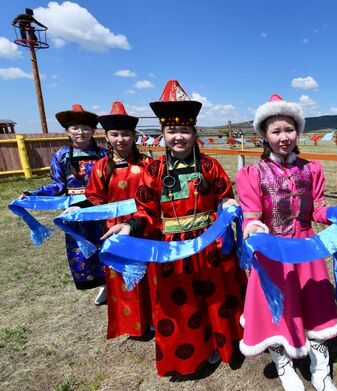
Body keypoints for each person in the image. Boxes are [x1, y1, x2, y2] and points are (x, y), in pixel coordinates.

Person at [101, 80, 247, 376]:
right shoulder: (153, 172)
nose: (178, 137)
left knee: (213, 299)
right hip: (170, 251)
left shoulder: (210, 167)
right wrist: (129, 226)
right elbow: (147, 210)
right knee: (180, 307)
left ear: (194, 133)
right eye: (171, 131)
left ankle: (219, 346)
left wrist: (228, 207)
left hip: (208, 246)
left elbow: (224, 197)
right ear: (163, 134)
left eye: (184, 131)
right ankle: (189, 355)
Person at [236, 94, 337, 391]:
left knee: (316, 305)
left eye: (289, 130)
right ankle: (283, 365)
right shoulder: (251, 173)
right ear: (264, 136)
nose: (284, 137)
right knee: (277, 308)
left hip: (307, 250)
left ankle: (321, 369)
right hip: (272, 250)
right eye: (276, 131)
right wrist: (253, 226)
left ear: (298, 132)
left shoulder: (313, 169)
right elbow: (252, 215)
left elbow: (317, 210)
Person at [67, 101, 155, 339]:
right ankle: (133, 324)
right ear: (106, 136)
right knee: (122, 278)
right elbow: (94, 198)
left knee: (150, 277)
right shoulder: (100, 167)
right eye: (114, 134)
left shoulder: (147, 164)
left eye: (126, 134)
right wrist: (77, 208)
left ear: (134, 135)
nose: (121, 139)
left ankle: (153, 319)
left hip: (145, 229)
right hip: (114, 232)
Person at [23, 104, 108, 304]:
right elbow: (57, 185)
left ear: (93, 131)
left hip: (100, 209)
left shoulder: (104, 155)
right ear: (67, 132)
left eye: (86, 128)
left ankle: (109, 284)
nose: (81, 132)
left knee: (105, 245)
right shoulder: (61, 156)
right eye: (75, 128)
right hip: (74, 212)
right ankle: (98, 284)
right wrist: (33, 194)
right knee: (82, 249)